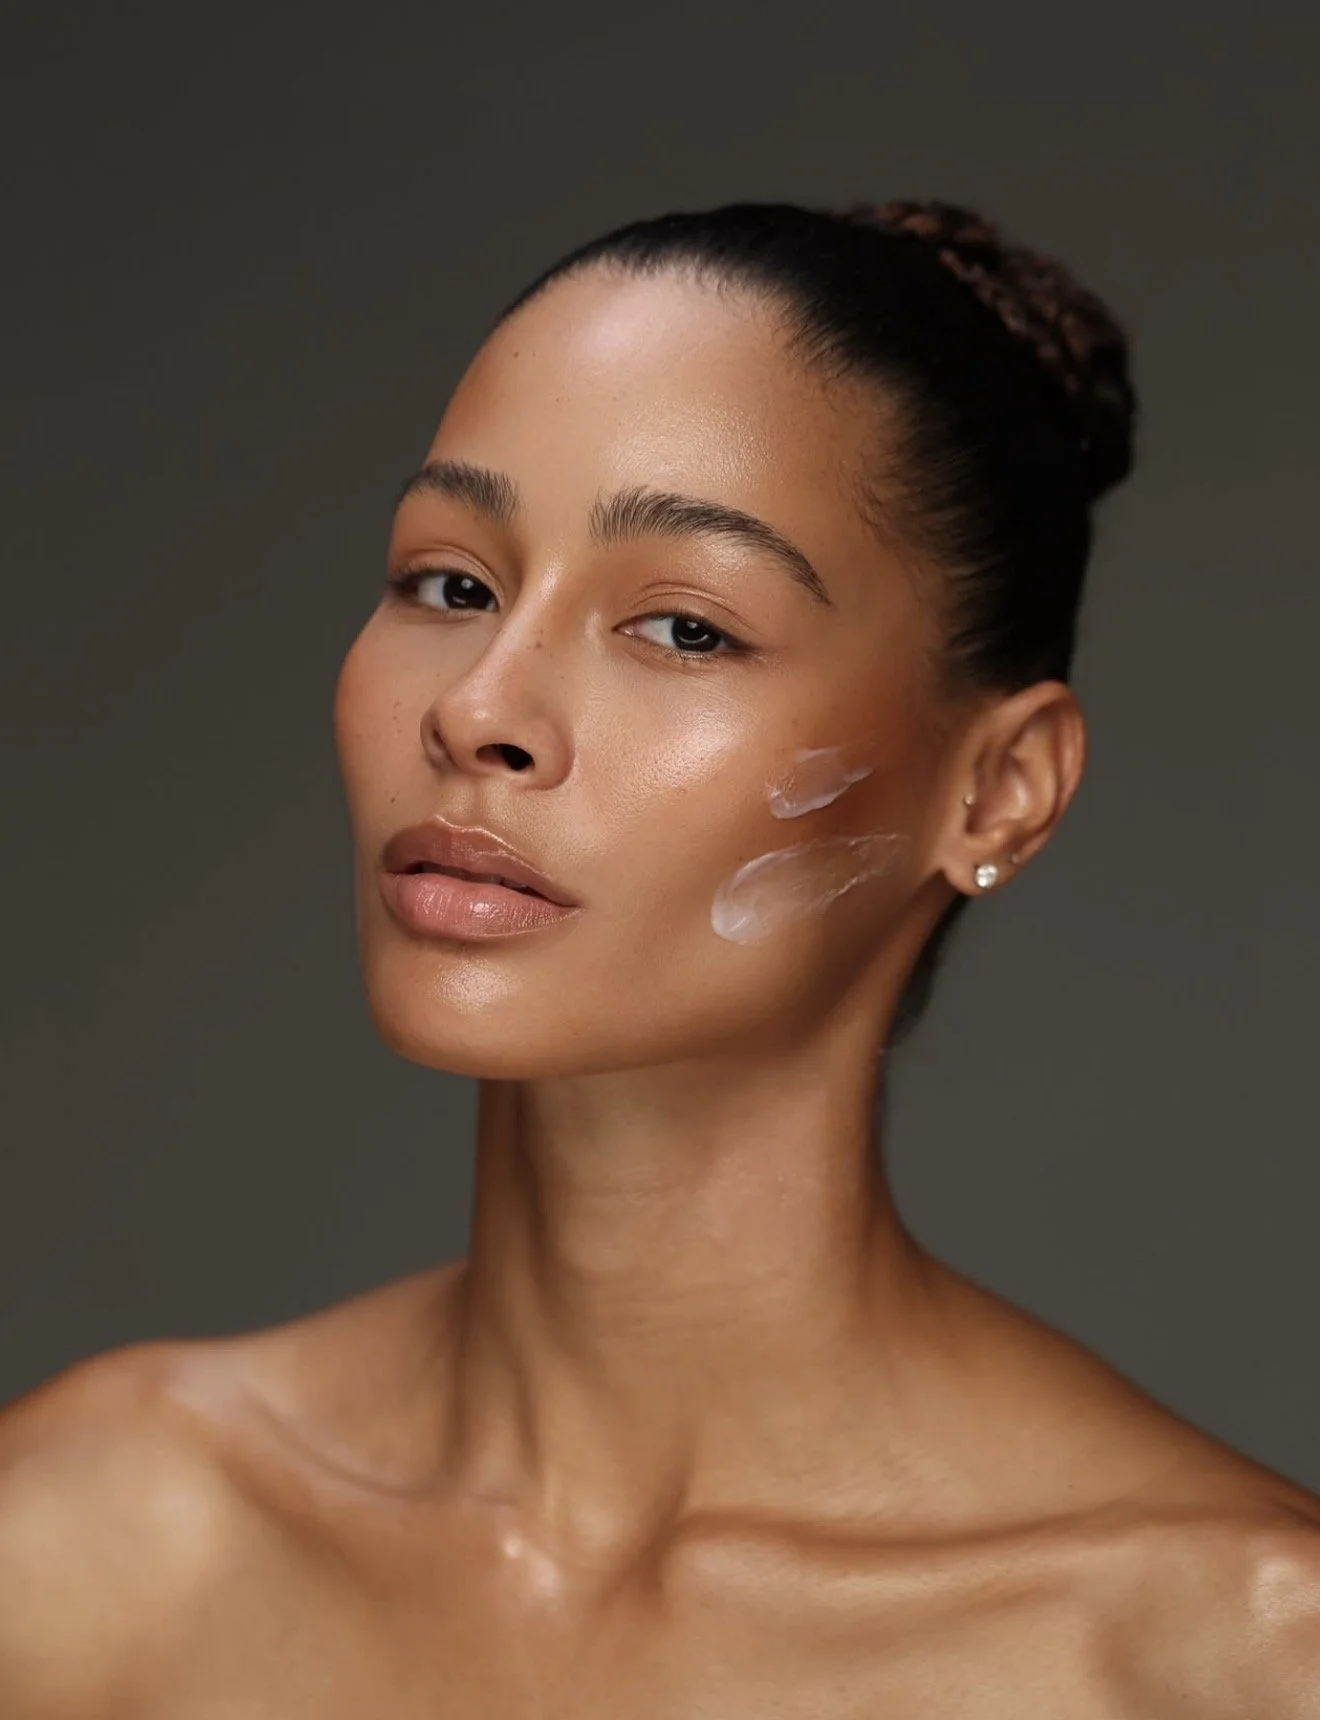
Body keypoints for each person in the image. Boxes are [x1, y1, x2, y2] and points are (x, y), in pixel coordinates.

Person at [1, 198, 1317, 1717]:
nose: (480, 706)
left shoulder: (1226, 1661)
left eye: (684, 628)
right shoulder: (94, 1551)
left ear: (997, 789)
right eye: (451, 585)